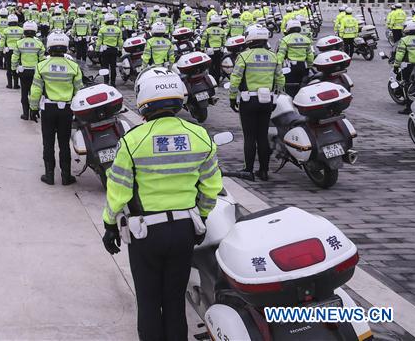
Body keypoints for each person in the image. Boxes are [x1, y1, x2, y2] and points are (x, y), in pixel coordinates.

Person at [101, 67, 222, 341]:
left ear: (144, 100)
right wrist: (200, 217)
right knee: (174, 300)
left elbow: (117, 191)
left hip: (145, 234)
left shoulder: (132, 141)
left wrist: (109, 224)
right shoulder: (201, 137)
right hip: (184, 230)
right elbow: (211, 187)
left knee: (148, 302)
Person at [229, 26, 284, 181]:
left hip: (249, 101)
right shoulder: (273, 56)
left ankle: (249, 170)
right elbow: (280, 79)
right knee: (262, 136)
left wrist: (232, 97)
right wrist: (275, 96)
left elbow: (235, 79)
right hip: (267, 101)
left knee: (249, 137)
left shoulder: (244, 56)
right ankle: (264, 171)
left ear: (250, 38)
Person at [29, 32, 83, 186]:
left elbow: (36, 90)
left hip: (48, 109)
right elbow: (79, 90)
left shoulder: (41, 66)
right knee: (64, 143)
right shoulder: (74, 66)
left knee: (48, 142)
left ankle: (49, 175)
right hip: (66, 110)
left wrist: (33, 108)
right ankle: (66, 177)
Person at [11, 21, 45, 121]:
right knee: (35, 93)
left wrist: (14, 70)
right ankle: (34, 112)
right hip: (36, 72)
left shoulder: (19, 43)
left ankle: (25, 114)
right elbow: (42, 60)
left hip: (23, 72)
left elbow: (14, 58)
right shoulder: (39, 43)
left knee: (24, 92)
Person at [276, 19, 312, 97]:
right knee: (302, 84)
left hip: (291, 67)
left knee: (290, 86)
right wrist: (309, 66)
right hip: (303, 66)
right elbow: (310, 55)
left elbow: (280, 55)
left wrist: (277, 66)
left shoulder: (285, 39)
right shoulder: (306, 39)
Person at [393, 20, 415, 114]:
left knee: (407, 84)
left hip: (410, 66)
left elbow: (399, 54)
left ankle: (409, 108)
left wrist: (396, 65)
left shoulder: (405, 40)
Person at [96, 13, 123, 85]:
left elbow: (99, 41)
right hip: (114, 50)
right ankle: (113, 82)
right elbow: (120, 42)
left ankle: (106, 82)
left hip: (105, 50)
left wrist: (97, 50)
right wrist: (120, 50)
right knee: (113, 67)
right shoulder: (118, 29)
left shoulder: (102, 29)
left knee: (105, 67)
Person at [0, 15, 25, 89]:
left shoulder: (5, 30)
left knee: (9, 67)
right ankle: (16, 84)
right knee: (17, 66)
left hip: (9, 51)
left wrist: (0, 51)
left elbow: (2, 42)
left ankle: (10, 84)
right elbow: (23, 41)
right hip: (19, 51)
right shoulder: (21, 30)